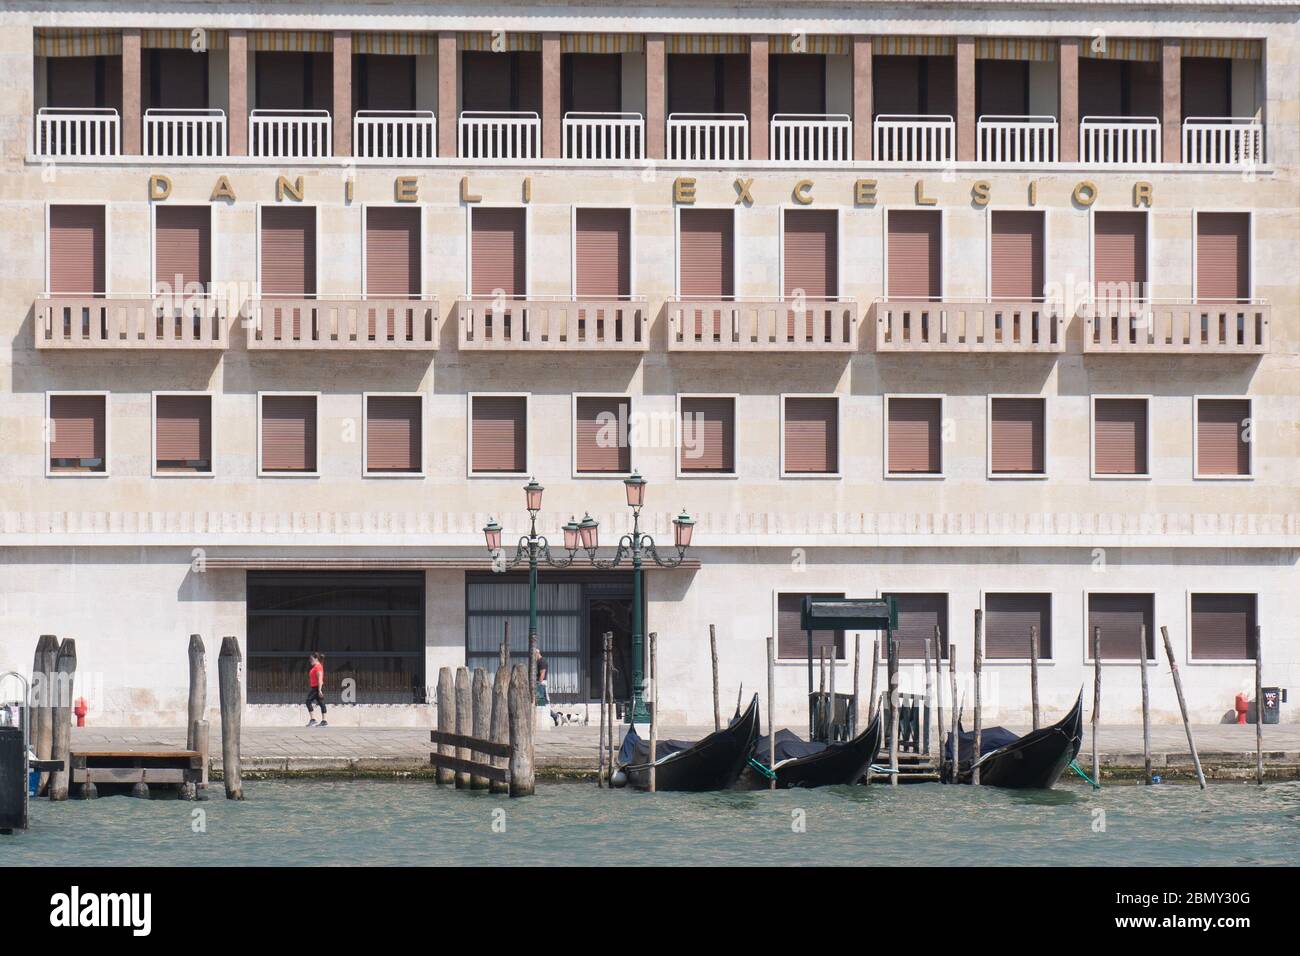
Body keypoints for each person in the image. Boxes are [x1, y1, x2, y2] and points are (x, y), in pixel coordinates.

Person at [306, 652, 328, 727]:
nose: (310, 661)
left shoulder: (318, 667)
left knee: (308, 701)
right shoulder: (316, 667)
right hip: (316, 687)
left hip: (317, 688)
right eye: (310, 660)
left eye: (311, 659)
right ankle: (324, 721)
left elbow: (320, 679)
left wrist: (319, 690)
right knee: (321, 703)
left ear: (316, 659)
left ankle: (313, 720)